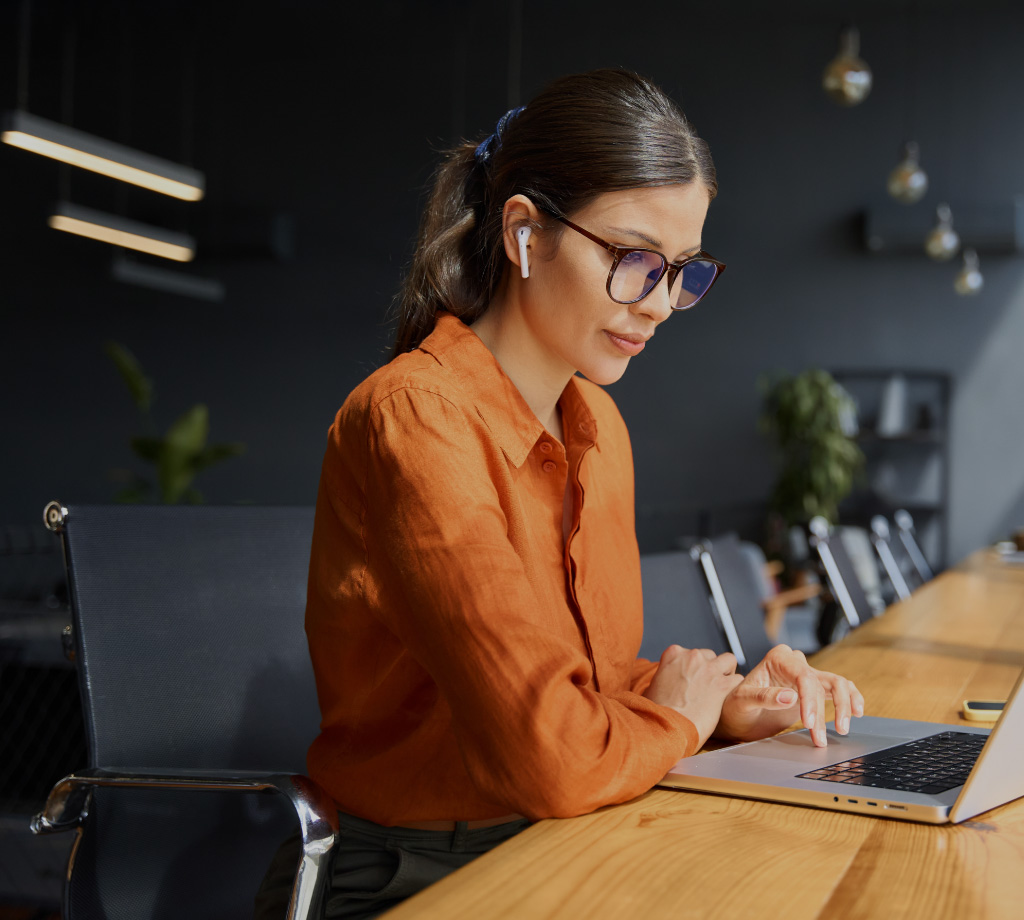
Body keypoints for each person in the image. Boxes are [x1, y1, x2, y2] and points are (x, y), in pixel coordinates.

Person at [255, 68, 864, 920]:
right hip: (410, 876)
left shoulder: (599, 429)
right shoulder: (415, 418)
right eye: (632, 260)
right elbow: (549, 754)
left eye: (682, 271)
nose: (658, 306)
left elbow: (589, 686)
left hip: (559, 839)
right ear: (525, 233)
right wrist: (680, 724)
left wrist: (723, 703)